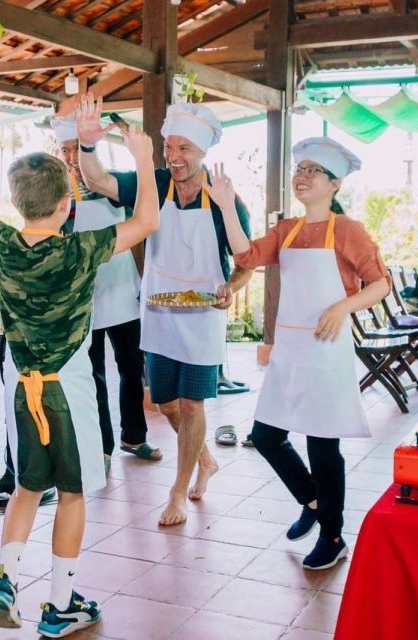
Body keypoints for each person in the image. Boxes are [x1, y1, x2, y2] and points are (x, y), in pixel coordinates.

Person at [0, 87, 158, 638]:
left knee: (27, 487)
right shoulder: (79, 249)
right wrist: (142, 159)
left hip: (22, 384)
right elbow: (144, 223)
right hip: (68, 387)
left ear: (17, 202)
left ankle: (4, 576)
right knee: (71, 494)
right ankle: (59, 603)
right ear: (68, 206)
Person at [77, 97, 253, 526]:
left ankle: (177, 491)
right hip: (158, 312)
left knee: (192, 407)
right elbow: (99, 182)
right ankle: (205, 458)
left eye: (184, 150)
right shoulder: (153, 182)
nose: (174, 158)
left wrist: (231, 287)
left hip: (203, 318)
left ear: (203, 152)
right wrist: (86, 147)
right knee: (167, 405)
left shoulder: (226, 201)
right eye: (169, 148)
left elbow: (246, 262)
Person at [220, 137, 391, 570]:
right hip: (290, 350)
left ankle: (333, 536)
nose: (302, 176)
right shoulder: (287, 229)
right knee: (266, 437)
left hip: (326, 352)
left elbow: (380, 284)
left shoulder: (348, 230)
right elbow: (245, 255)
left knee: (322, 445)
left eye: (314, 171)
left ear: (334, 184)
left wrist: (341, 306)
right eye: (300, 169)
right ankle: (313, 501)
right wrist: (225, 205)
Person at [51, 115, 161, 469]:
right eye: (65, 150)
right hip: (85, 293)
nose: (71, 156)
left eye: (75, 148)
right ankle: (102, 445)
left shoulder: (110, 182)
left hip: (122, 285)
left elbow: (138, 218)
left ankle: (135, 436)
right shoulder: (55, 192)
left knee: (132, 366)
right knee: (94, 371)